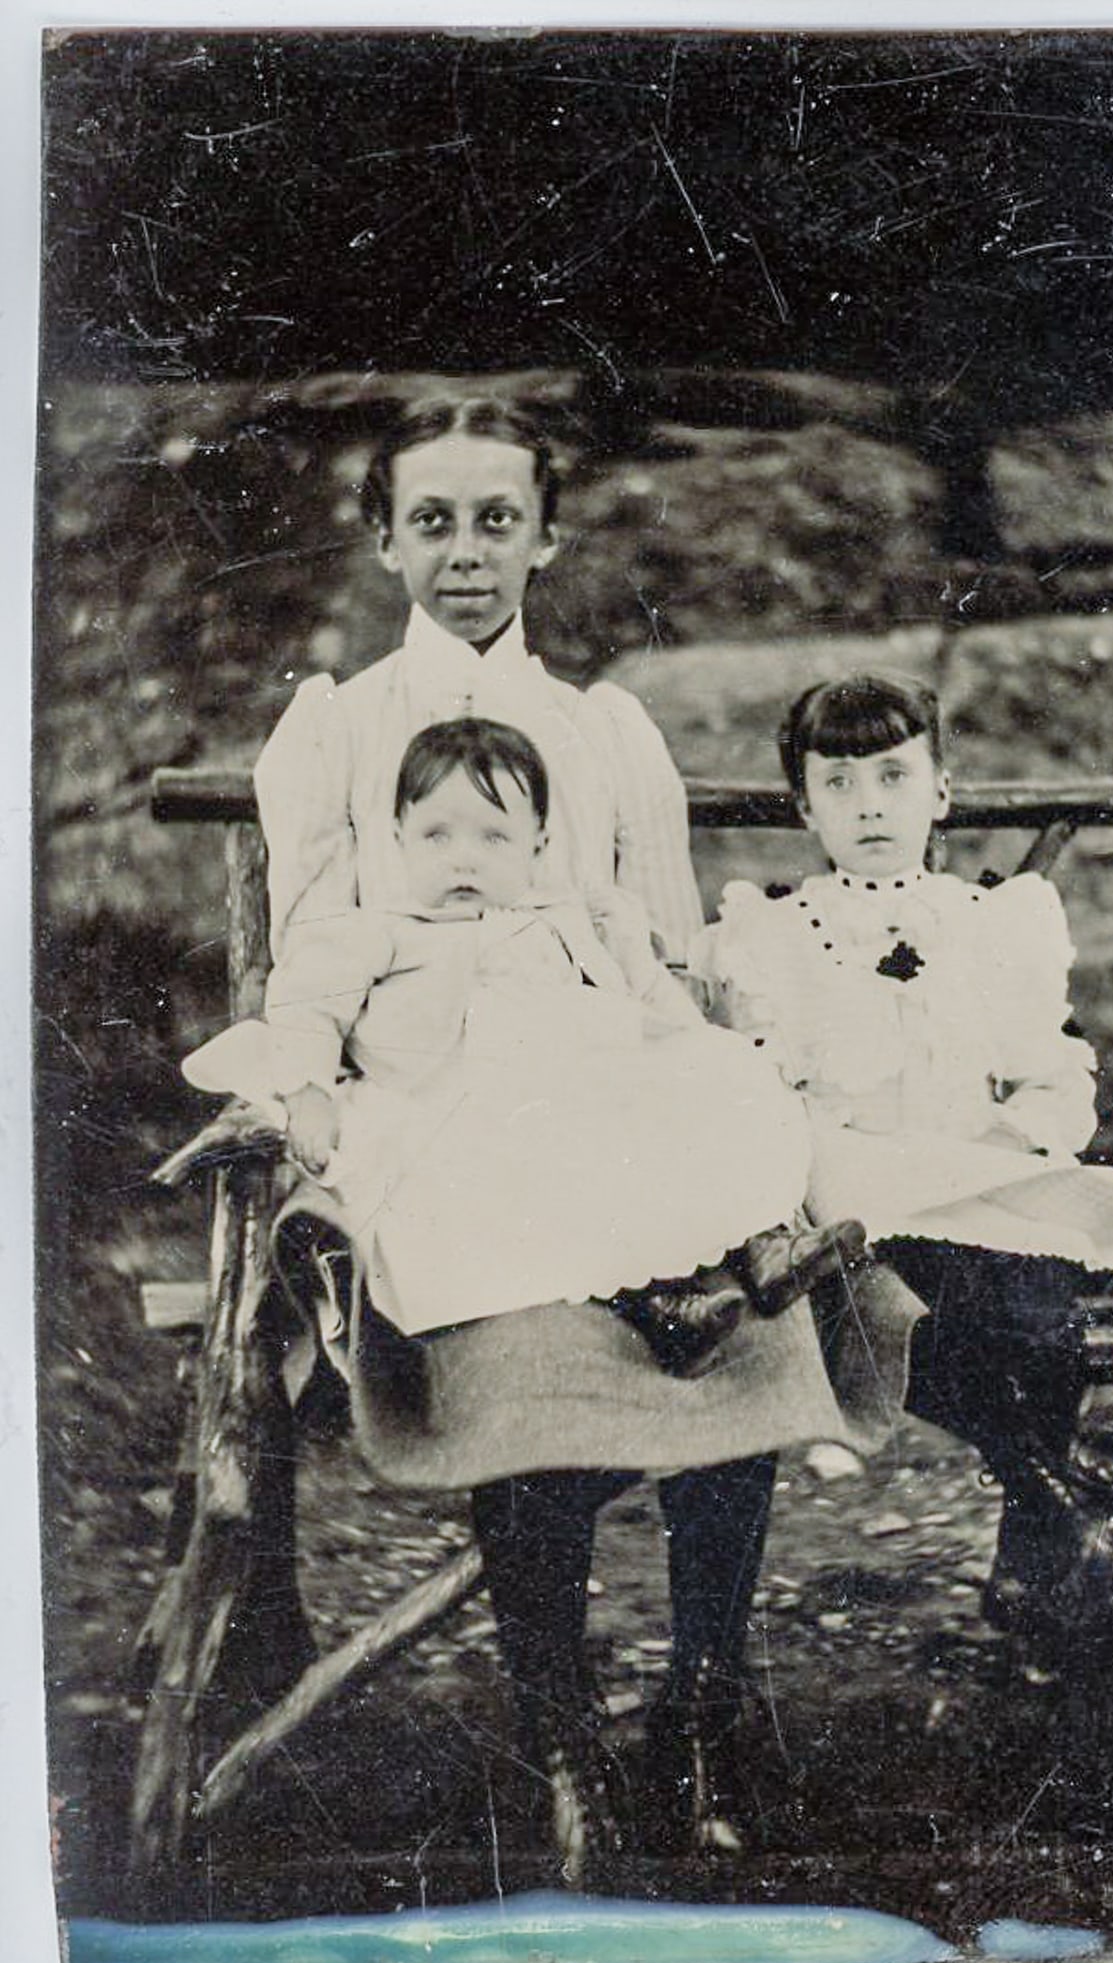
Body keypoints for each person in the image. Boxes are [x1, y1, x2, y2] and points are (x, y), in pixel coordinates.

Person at [240, 402, 910, 1875]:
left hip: (607, 1109)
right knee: (530, 1361)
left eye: (496, 519)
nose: (465, 553)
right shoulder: (341, 728)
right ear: (384, 539)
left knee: (744, 1340)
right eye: (432, 521)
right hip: (441, 1136)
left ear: (544, 535)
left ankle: (705, 1702)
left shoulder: (604, 732)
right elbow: (314, 967)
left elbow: (653, 955)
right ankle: (566, 1745)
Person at [692, 674, 1113, 1636]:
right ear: (804, 805)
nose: (870, 808)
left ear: (940, 790)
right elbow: (761, 1090)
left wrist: (1013, 1133)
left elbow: (1052, 1075)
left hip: (980, 1190)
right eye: (841, 785)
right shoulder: (768, 933)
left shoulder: (994, 920)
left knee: (1036, 1316)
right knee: (913, 1311)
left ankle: (1036, 1552)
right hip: (845, 1213)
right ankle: (1060, 1500)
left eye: (894, 778)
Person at [185, 716, 860, 1347]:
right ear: (397, 837)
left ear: (538, 844)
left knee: (720, 1079)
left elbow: (642, 998)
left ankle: (764, 1243)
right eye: (436, 837)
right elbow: (306, 1005)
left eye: (493, 838)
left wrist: (696, 1048)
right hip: (463, 1104)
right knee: (550, 1181)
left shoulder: (568, 918)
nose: (463, 862)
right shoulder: (379, 932)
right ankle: (658, 1303)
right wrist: (309, 1091)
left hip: (587, 1084)